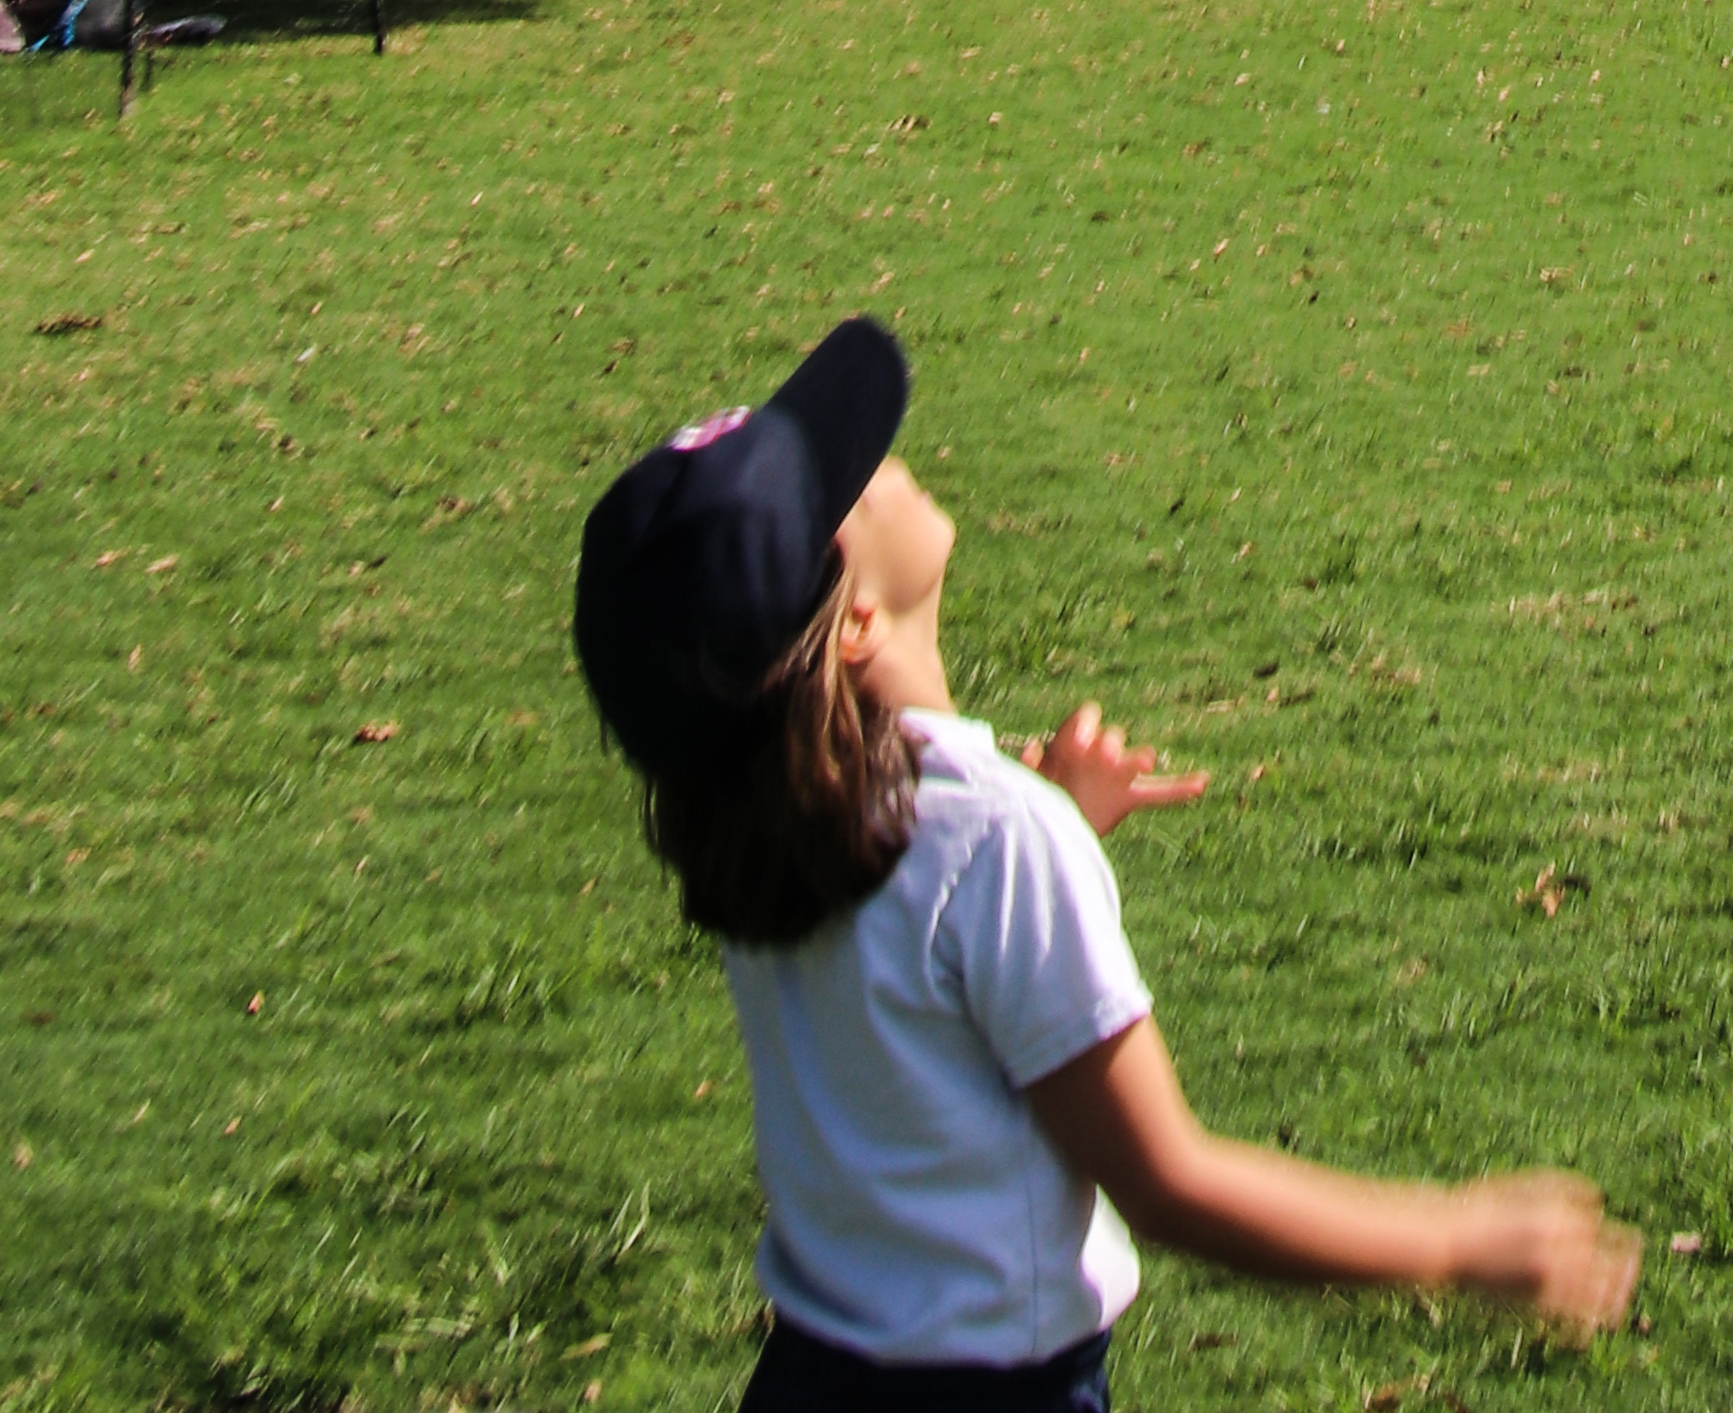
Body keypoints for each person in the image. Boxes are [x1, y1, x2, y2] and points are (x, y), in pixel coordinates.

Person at [572, 315, 1636, 1411]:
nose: (883, 461)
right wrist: (1450, 1244)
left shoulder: (765, 820)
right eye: (851, 479)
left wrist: (1053, 816)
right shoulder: (990, 843)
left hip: (808, 1377)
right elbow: (1166, 1183)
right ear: (853, 622)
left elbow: (916, 1001)